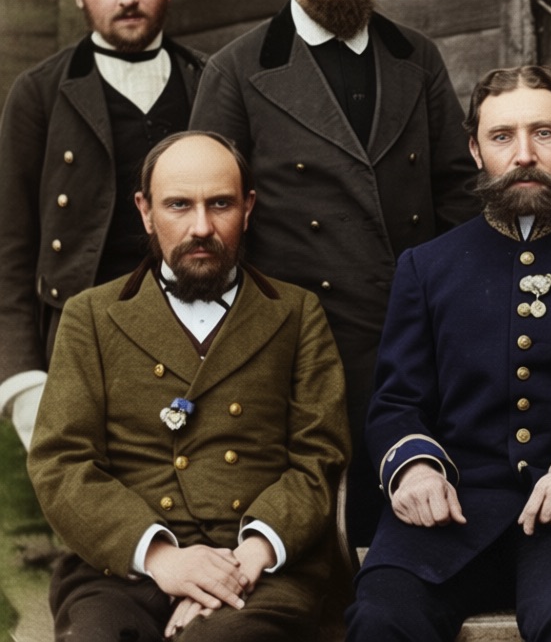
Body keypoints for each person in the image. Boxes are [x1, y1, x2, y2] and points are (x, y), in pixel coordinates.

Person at [345, 65, 551, 642]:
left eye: (544, 133)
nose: (524, 155)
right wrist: (416, 465)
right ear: (475, 150)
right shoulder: (427, 268)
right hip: (451, 514)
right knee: (382, 617)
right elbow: (396, 400)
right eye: (502, 136)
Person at [190, 0, 478, 543]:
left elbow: (458, 197)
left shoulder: (417, 58)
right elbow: (212, 226)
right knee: (308, 544)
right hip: (295, 351)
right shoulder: (236, 69)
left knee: (412, 533)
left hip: (412, 344)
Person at [27, 131, 350, 641]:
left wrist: (246, 560)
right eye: (179, 205)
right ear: (145, 211)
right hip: (125, 566)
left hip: (258, 566)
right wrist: (163, 559)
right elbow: (61, 462)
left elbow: (320, 457)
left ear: (247, 208)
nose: (201, 227)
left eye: (220, 204)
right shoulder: (91, 315)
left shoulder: (295, 313)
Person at [0, 0, 203, 450]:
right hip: (81, 353)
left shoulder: (210, 82)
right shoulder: (39, 94)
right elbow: (9, 251)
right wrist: (24, 384)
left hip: (201, 348)